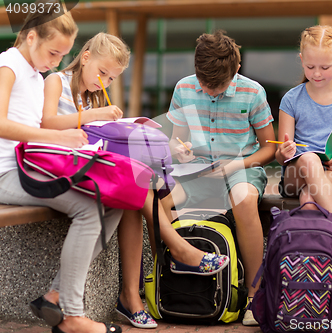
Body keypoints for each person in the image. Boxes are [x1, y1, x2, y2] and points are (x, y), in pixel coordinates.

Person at [41, 32, 230, 329]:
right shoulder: (56, 81)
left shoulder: (93, 97)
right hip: (59, 167)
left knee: (133, 188)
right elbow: (46, 123)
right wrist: (92, 116)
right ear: (86, 58)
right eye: (102, 72)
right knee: (134, 185)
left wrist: (169, 148)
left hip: (86, 168)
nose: (105, 81)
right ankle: (177, 251)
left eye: (113, 78)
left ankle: (133, 295)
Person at [0, 4, 123, 333]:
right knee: (88, 206)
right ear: (30, 37)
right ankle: (71, 316)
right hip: (7, 172)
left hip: (29, 165)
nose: (55, 63)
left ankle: (55, 295)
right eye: (53, 53)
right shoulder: (8, 64)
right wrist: (55, 135)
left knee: (113, 203)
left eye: (61, 56)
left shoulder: (34, 73)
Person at [163, 30, 276, 326]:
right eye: (205, 84)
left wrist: (235, 164)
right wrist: (180, 151)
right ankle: (162, 280)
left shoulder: (253, 92)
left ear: (237, 69)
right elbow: (176, 140)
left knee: (243, 200)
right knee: (157, 201)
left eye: (219, 86)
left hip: (242, 168)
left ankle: (255, 295)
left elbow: (269, 149)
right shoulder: (183, 88)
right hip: (196, 171)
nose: (211, 91)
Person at [274, 25, 332, 263]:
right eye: (310, 67)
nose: (316, 73)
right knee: (308, 159)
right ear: (301, 60)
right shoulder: (291, 99)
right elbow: (280, 156)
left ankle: (320, 262)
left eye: (324, 67)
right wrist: (284, 151)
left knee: (309, 197)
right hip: (296, 174)